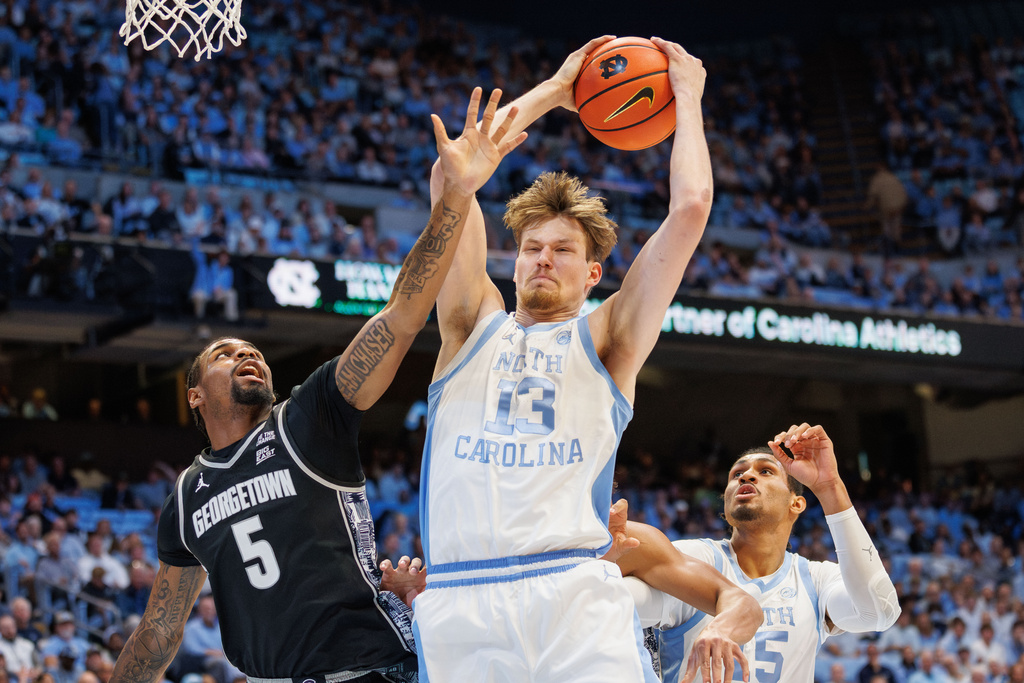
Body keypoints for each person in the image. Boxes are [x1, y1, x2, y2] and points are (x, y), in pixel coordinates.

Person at [109, 87, 527, 683]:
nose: (247, 354)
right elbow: (158, 631)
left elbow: (403, 312)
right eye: (226, 355)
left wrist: (456, 195)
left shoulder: (309, 416)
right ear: (195, 394)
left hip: (368, 669)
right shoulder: (186, 496)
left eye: (252, 350)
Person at [416, 35, 719, 682]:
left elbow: (691, 207)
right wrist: (558, 91)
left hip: (571, 593)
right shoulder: (470, 323)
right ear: (513, 261)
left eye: (560, 249)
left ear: (592, 274)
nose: (542, 258)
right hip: (459, 601)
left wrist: (686, 96)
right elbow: (453, 176)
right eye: (529, 248)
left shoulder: (609, 337)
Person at [618, 423, 901, 682]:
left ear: (797, 504)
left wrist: (829, 487)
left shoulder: (815, 580)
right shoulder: (696, 558)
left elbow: (879, 612)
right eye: (736, 474)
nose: (747, 476)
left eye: (765, 471)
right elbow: (621, 600)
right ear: (726, 508)